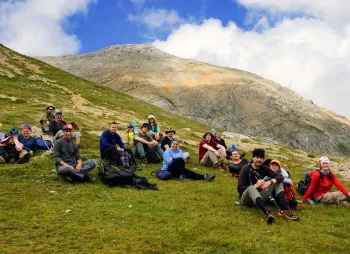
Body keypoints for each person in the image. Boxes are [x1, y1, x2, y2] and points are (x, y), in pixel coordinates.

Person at [237, 148, 299, 224]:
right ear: (252, 158)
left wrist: (269, 182)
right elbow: (239, 188)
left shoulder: (263, 168)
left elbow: (280, 177)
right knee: (251, 188)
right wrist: (255, 185)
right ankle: (267, 213)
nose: (259, 160)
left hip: (259, 198)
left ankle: (284, 209)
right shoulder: (245, 169)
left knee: (277, 182)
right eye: (257, 157)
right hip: (246, 200)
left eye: (261, 158)